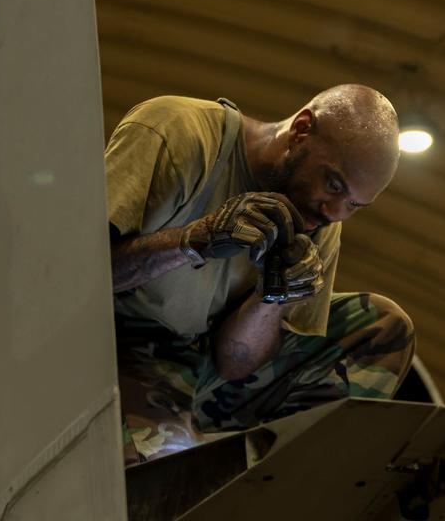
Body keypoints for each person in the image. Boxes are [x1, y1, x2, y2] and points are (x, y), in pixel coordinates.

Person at [105, 85, 415, 464]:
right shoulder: (181, 132)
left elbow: (235, 365)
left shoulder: (318, 220)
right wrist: (196, 240)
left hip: (200, 364)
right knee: (161, 473)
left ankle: (278, 476)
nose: (335, 211)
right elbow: (72, 277)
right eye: (334, 184)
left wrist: (270, 299)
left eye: (354, 204)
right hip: (111, 342)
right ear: (302, 128)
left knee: (382, 326)